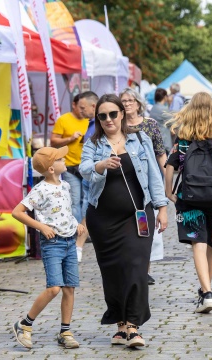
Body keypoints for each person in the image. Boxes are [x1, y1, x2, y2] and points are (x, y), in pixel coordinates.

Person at [79, 94, 168, 348]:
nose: (108, 119)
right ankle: (120, 324)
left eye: (113, 114)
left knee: (136, 268)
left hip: (137, 216)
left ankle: (133, 325)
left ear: (122, 114)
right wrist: (101, 165)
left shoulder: (140, 139)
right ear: (98, 118)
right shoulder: (94, 143)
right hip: (103, 220)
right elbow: (84, 169)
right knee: (113, 273)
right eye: (103, 116)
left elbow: (153, 174)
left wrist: (162, 208)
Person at [165, 92, 212, 313]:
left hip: (190, 197)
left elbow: (170, 166)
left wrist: (170, 193)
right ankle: (206, 289)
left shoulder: (184, 136)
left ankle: (206, 293)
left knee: (197, 243)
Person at [11, 146, 86, 349]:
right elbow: (17, 212)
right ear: (51, 168)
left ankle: (65, 331)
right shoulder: (40, 190)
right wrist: (41, 227)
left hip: (70, 240)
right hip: (52, 244)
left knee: (69, 288)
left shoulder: (65, 186)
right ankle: (25, 324)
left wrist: (75, 223)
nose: (65, 161)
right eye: (61, 159)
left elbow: (65, 210)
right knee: (54, 288)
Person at [120, 88, 168, 285]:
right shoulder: (118, 126)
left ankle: (144, 270)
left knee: (144, 226)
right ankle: (128, 267)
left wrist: (169, 180)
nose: (127, 103)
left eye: (130, 100)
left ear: (138, 104)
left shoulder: (149, 125)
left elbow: (160, 153)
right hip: (125, 182)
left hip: (146, 184)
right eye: (123, 101)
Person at [51, 94, 87, 224]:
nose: (84, 111)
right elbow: (53, 141)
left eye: (86, 108)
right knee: (75, 199)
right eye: (81, 108)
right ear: (74, 105)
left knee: (87, 199)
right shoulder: (63, 120)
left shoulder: (90, 120)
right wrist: (70, 139)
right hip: (70, 167)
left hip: (86, 166)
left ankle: (85, 230)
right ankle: (77, 229)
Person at [73, 91, 99, 261]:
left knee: (88, 211)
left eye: (83, 107)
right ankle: (78, 246)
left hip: (97, 176)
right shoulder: (90, 124)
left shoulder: (101, 124)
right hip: (88, 175)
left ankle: (78, 247)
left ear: (93, 106)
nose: (80, 111)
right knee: (88, 210)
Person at [148, 88, 174, 153]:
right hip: (164, 141)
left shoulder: (154, 107)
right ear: (165, 97)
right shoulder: (163, 109)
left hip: (155, 138)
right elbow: (172, 122)